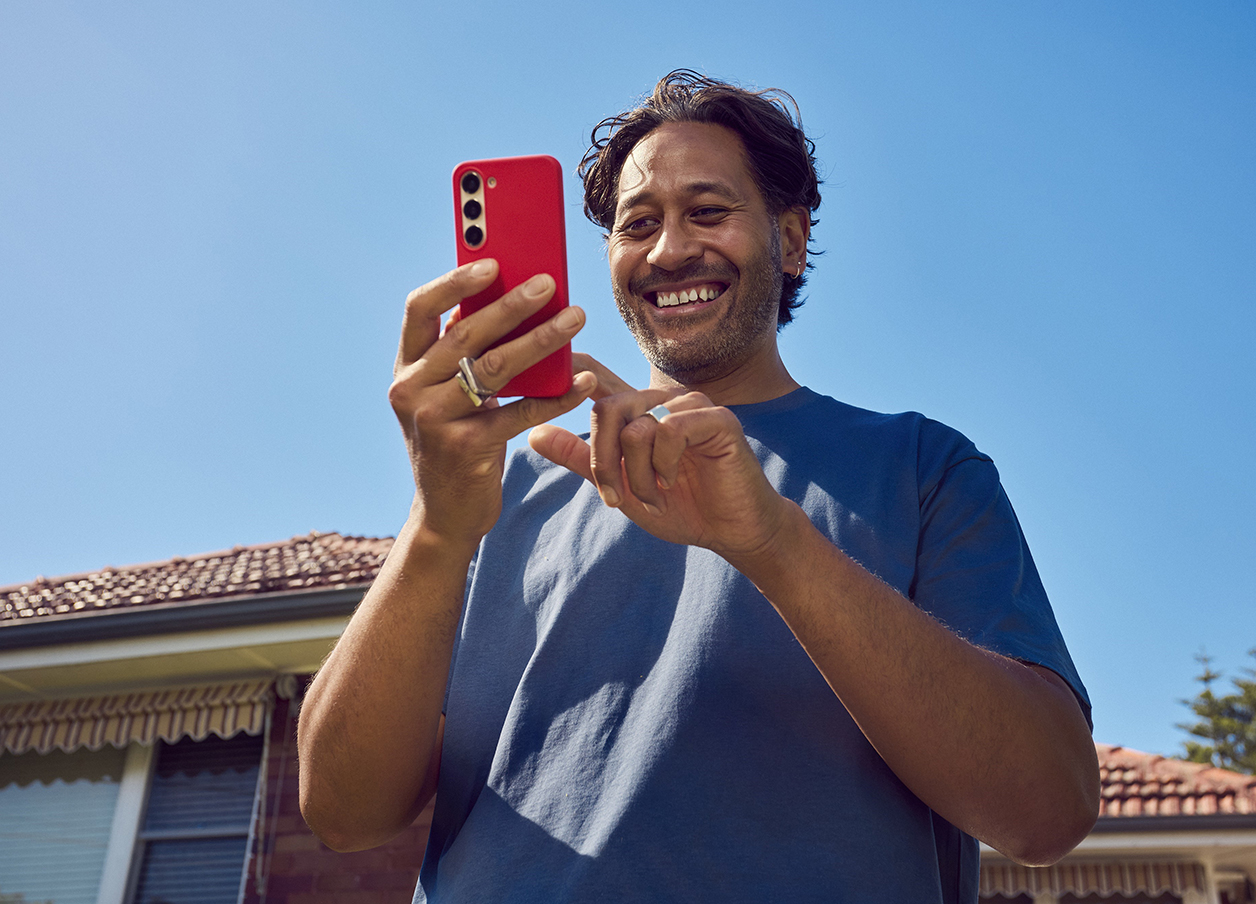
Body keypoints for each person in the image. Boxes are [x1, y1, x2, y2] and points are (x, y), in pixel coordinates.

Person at [297, 70, 1100, 903]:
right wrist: (433, 529)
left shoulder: (921, 466)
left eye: (708, 212)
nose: (670, 249)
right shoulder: (498, 485)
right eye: (636, 224)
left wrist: (772, 543)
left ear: (790, 241)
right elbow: (345, 815)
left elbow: (1046, 811)